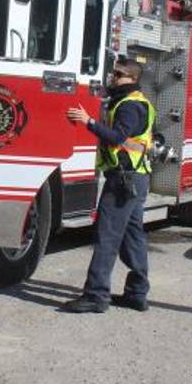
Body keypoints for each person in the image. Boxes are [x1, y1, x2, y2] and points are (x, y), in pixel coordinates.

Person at [61, 58, 156, 313]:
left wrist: (88, 121)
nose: (113, 78)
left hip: (124, 180)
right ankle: (137, 293)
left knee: (107, 236)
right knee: (133, 236)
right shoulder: (137, 102)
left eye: (119, 74)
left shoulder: (129, 106)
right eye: (114, 73)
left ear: (133, 79)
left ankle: (96, 296)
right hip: (136, 177)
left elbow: (116, 138)